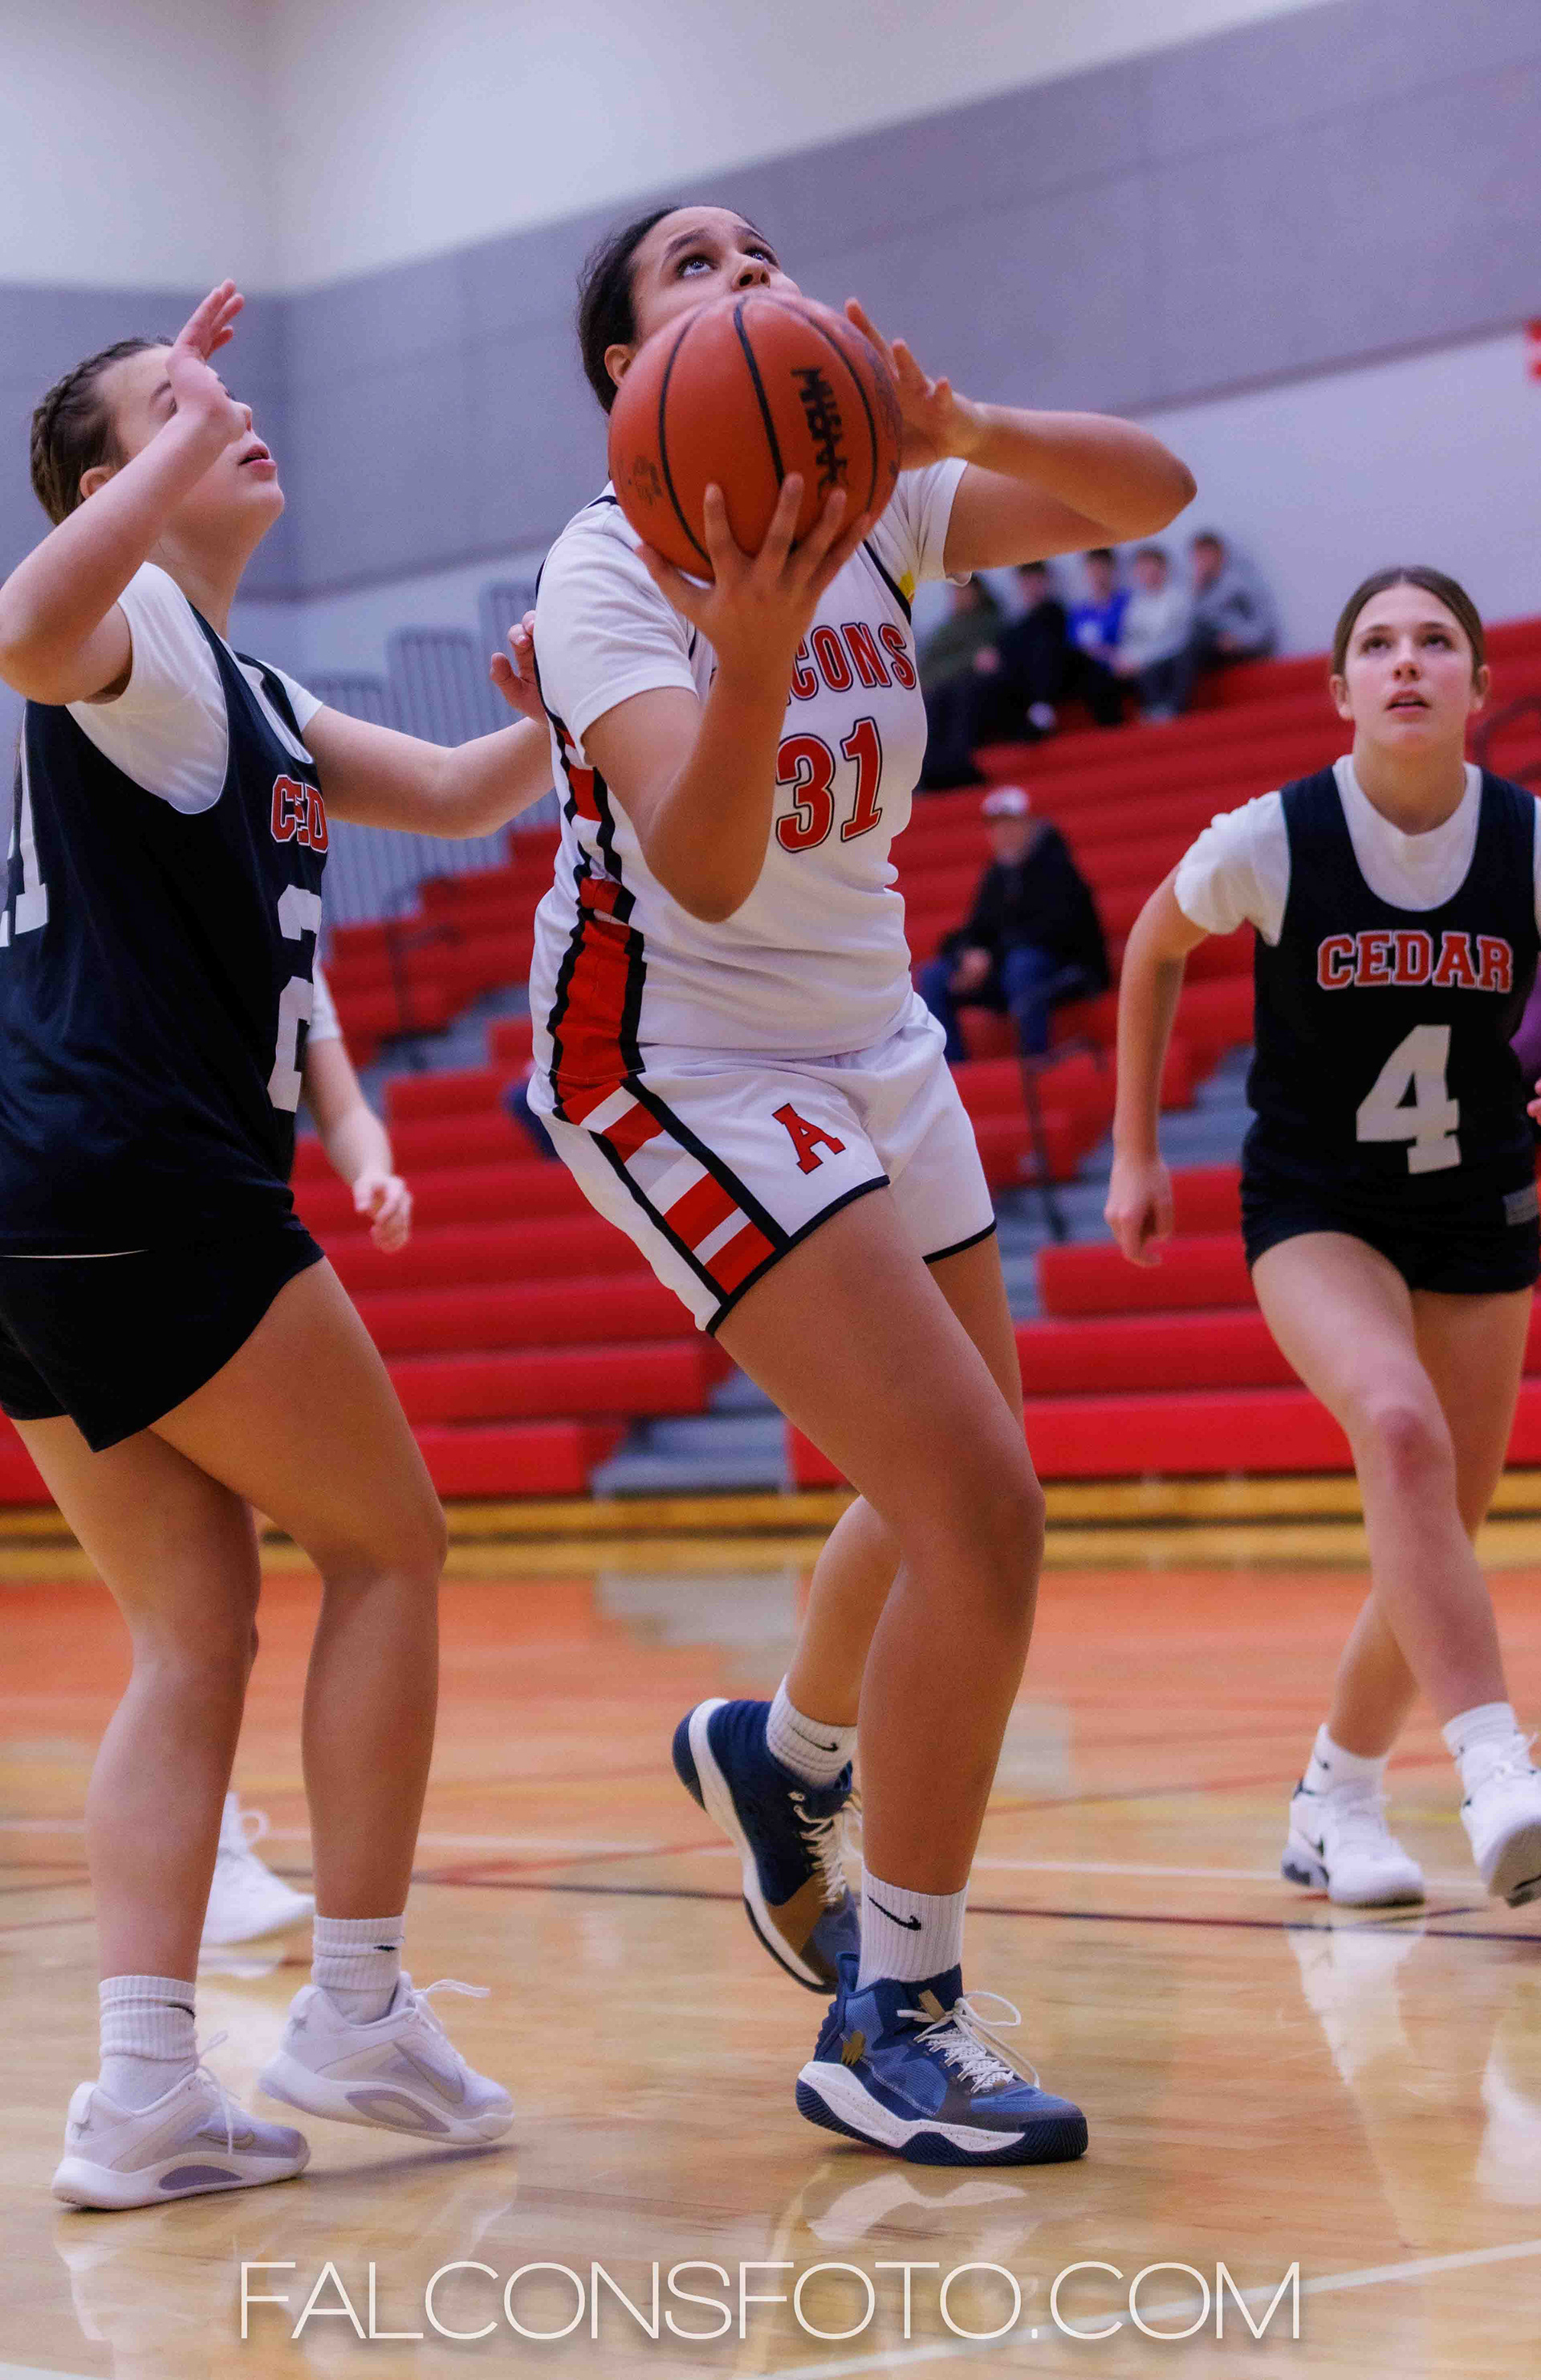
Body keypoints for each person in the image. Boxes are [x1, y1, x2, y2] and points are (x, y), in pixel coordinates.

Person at [531, 200, 1193, 2164]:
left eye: (759, 253)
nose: (746, 274)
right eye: (694, 266)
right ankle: (892, 2006)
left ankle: (781, 1749)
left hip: (870, 1035)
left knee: (962, 1482)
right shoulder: (603, 569)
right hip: (677, 1057)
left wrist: (959, 423)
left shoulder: (885, 502)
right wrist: (747, 657)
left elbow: (1155, 495)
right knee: (980, 1506)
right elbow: (704, 860)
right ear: (629, 372)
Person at [0, 283, 556, 2207]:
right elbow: (23, 628)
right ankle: (357, 2003)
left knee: (195, 1630)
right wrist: (151, 462)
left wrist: (559, 698)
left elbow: (464, 792)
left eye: (216, 391)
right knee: (392, 1545)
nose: (223, 410)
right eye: (175, 403)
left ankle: (147, 2088)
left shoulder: (242, 686)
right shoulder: (138, 630)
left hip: (45, 1206)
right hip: (138, 1170)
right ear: (116, 483)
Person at [1107, 564, 1541, 1913]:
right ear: (1340, 690)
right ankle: (1498, 1769)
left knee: (1439, 1529)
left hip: (1481, 1200)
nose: (1407, 660)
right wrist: (1133, 1152)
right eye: (1379, 643)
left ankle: (1334, 1798)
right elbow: (1150, 947)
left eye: (1436, 642)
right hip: (1320, 1207)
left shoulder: (1529, 841)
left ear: (1477, 687)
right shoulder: (1275, 837)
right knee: (1400, 1430)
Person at [203, 963, 412, 1949]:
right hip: (172, 1232)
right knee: (204, 1618)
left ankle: (200, 1865)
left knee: (208, 1617)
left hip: (205, 1232)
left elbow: (344, 1105)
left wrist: (374, 1169)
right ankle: (212, 1865)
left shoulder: (293, 928)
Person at [917, 786, 1109, 1061]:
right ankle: (953, 1070)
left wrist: (991, 957)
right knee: (934, 976)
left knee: (1023, 964)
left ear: (1028, 824)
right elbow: (977, 929)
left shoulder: (1058, 867)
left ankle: (1034, 1063)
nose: (1002, 834)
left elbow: (1057, 932)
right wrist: (967, 956)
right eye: (995, 828)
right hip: (1007, 970)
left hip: (1064, 969)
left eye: (1010, 825)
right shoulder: (996, 876)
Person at [1169, 528, 1278, 708]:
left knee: (1192, 645)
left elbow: (1264, 624)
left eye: (1206, 555)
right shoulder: (1200, 587)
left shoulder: (1240, 583)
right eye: (1198, 557)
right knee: (1174, 653)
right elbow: (1185, 626)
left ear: (1219, 553)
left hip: (1242, 646)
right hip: (1212, 645)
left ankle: (1175, 708)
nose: (1202, 561)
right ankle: (1161, 707)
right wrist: (1196, 590)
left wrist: (1240, 640)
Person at [969, 559, 1071, 743]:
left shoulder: (1055, 613)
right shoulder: (1016, 625)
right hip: (1020, 679)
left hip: (1052, 677)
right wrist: (991, 654)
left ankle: (1041, 709)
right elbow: (1006, 647)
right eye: (1028, 582)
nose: (1032, 588)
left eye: (1037, 581)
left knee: (1042, 646)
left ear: (1046, 582)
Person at [917, 577, 1001, 789]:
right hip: (941, 691)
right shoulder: (946, 629)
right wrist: (966, 662)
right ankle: (930, 770)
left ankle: (955, 764)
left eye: (964, 591)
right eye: (956, 592)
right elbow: (927, 668)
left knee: (960, 693)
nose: (959, 597)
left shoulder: (989, 623)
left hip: (976, 693)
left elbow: (987, 660)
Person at [1112, 543, 1193, 721]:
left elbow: (1177, 638)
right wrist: (1125, 659)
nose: (1147, 574)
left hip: (1171, 657)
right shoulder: (1135, 603)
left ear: (1163, 568)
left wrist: (1141, 660)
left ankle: (1169, 709)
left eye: (1150, 568)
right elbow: (1130, 638)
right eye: (1142, 569)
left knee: (1166, 664)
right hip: (1143, 661)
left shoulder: (1178, 597)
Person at [1064, 546, 1128, 726]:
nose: (1098, 575)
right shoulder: (1079, 612)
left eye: (1102, 568)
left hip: (1119, 665)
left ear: (1112, 569)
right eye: (1093, 569)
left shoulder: (1126, 602)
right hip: (1088, 670)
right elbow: (1074, 647)